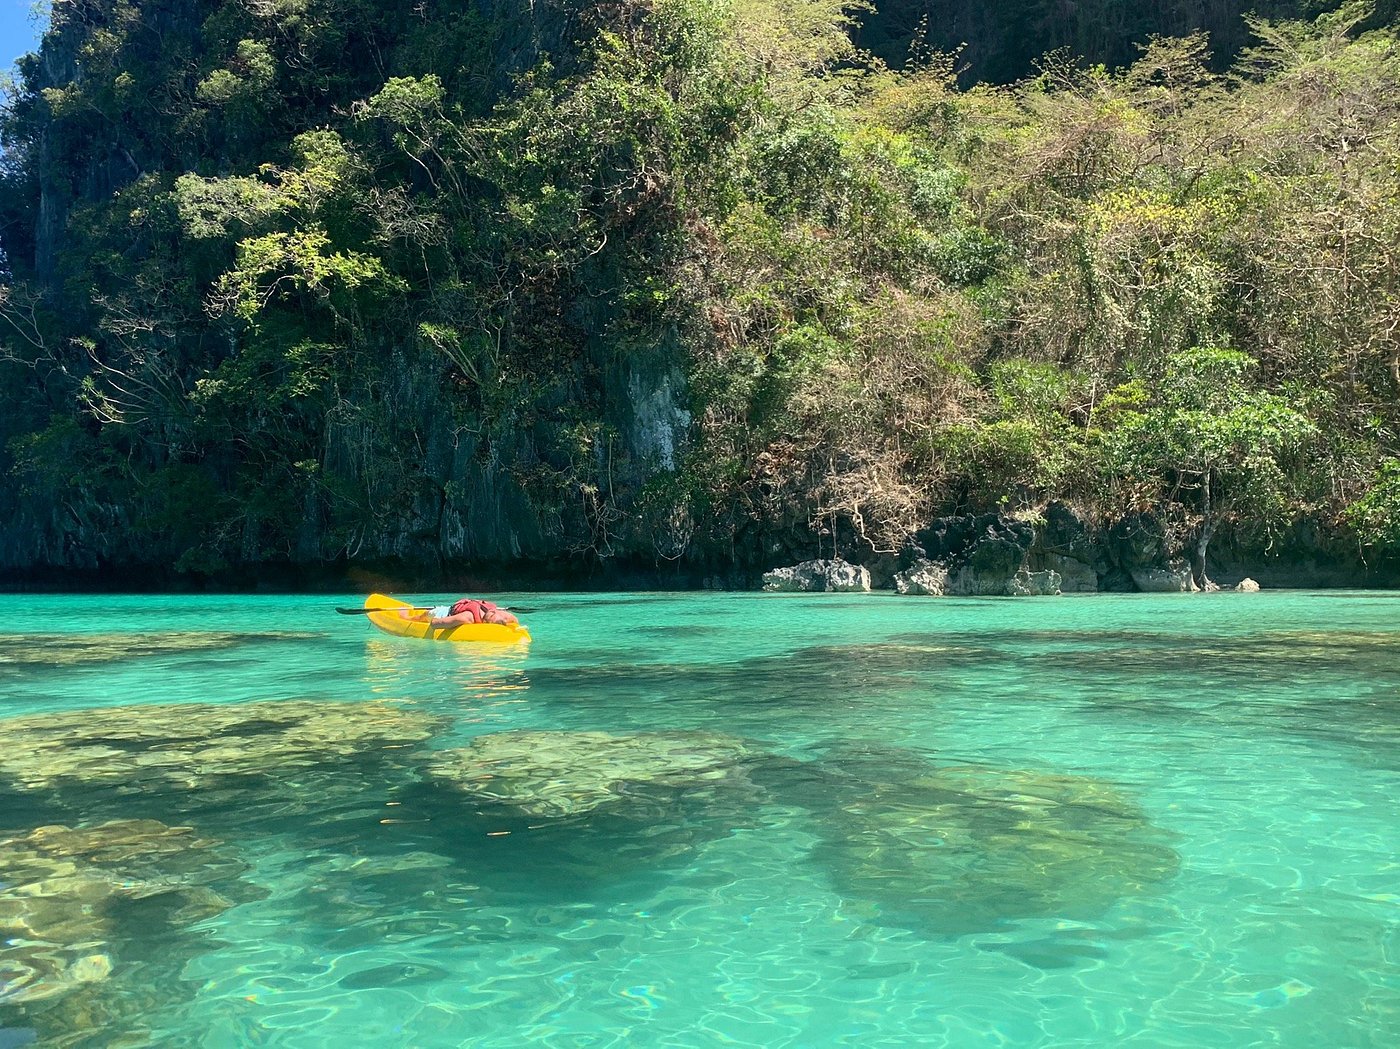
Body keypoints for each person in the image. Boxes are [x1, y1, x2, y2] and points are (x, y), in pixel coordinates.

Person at [399, 597, 518, 629]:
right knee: (424, 616)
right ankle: (407, 617)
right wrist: (431, 624)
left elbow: (514, 620)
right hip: (443, 613)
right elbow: (436, 623)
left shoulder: (503, 615)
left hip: (461, 608)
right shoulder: (467, 617)